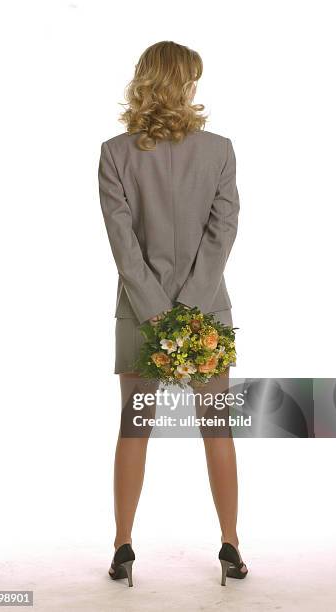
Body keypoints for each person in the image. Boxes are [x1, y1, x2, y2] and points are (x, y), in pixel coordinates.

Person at [98, 40, 247, 587]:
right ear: (184, 84)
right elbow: (222, 232)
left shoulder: (115, 153)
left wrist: (159, 315)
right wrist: (188, 312)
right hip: (207, 313)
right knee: (218, 429)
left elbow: (123, 247)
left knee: (134, 428)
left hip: (140, 315)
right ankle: (231, 547)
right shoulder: (220, 150)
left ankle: (122, 549)